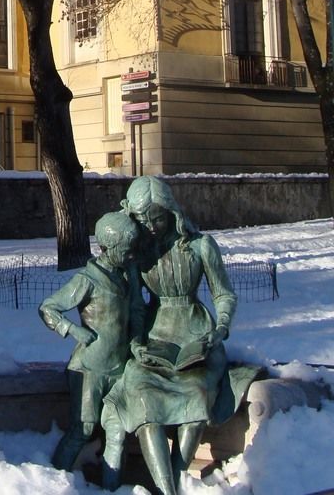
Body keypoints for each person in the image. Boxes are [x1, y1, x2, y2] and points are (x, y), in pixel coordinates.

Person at [101, 177, 237, 495]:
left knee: (197, 398)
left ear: (172, 212)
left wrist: (221, 327)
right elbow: (136, 306)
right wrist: (136, 342)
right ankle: (167, 491)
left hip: (196, 335)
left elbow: (224, 294)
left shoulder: (201, 246)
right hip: (154, 339)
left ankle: (175, 481)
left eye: (158, 219)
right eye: (143, 221)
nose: (151, 227)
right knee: (143, 400)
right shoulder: (137, 253)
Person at [39, 210, 143, 488]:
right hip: (89, 369)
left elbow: (135, 312)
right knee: (82, 429)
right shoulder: (87, 279)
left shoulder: (125, 277)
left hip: (118, 368)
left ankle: (112, 489)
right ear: (108, 248)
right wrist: (73, 330)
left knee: (117, 432)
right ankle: (51, 485)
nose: (131, 256)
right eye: (126, 251)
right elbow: (48, 308)